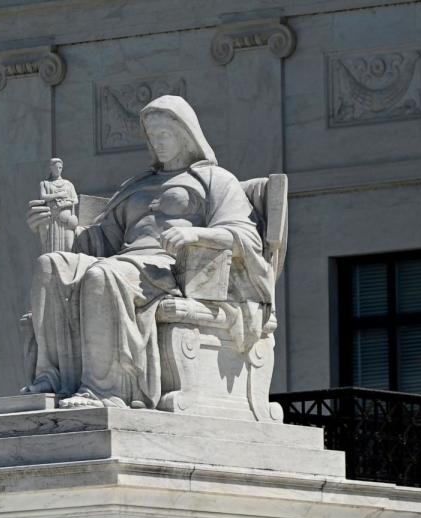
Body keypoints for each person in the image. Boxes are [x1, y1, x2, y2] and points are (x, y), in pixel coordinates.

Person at [24, 95, 273, 409]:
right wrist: (56, 227)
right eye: (153, 137)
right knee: (49, 265)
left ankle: (104, 390)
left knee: (103, 275)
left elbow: (245, 236)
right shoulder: (135, 185)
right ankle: (51, 378)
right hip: (126, 260)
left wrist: (195, 233)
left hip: (171, 268)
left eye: (164, 135)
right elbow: (100, 241)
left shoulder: (215, 180)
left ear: (185, 135)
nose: (158, 144)